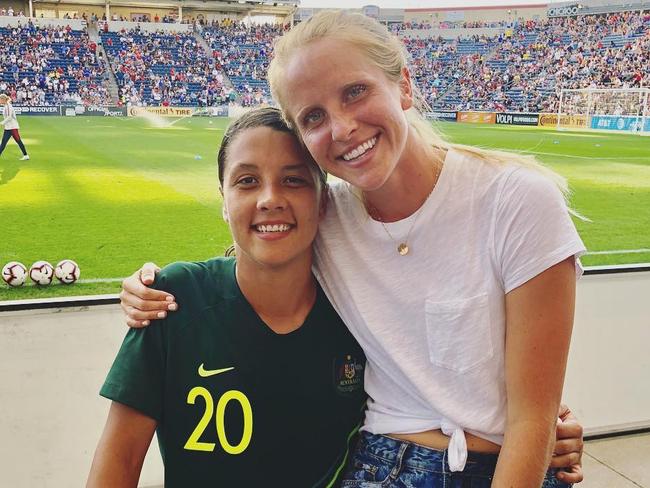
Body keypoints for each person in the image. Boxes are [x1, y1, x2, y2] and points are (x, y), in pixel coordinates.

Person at [120, 11, 586, 487]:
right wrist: (147, 287)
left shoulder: (516, 200)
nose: (341, 128)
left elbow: (535, 418)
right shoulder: (327, 215)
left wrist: (549, 432)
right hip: (377, 468)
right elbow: (254, 252)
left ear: (403, 85)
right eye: (314, 117)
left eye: (355, 92)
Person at [87, 108, 367, 487]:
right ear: (223, 199)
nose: (270, 198)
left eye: (294, 180)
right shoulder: (174, 300)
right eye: (248, 180)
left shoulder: (358, 312)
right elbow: (119, 462)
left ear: (323, 200)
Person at [0, 94, 29, 161]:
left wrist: (2, 123)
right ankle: (26, 155)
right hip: (8, 128)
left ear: (3, 99)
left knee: (18, 141)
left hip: (12, 128)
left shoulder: (8, 106)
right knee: (3, 143)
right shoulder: (6, 105)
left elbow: (9, 117)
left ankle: (26, 155)